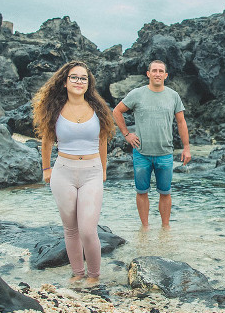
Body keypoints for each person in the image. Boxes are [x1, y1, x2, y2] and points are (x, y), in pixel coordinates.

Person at [32, 60, 115, 287]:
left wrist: (104, 170)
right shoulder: (54, 109)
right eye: (74, 77)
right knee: (70, 229)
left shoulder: (98, 109)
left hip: (92, 172)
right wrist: (46, 168)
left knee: (88, 229)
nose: (79, 81)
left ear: (89, 83)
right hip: (63, 173)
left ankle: (94, 276)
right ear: (65, 82)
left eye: (83, 78)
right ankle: (78, 274)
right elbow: (47, 141)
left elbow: (102, 142)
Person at [112, 60, 191, 229]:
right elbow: (117, 111)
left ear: (165, 75)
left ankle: (165, 229)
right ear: (148, 74)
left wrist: (186, 148)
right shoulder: (137, 94)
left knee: (165, 193)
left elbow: (181, 122)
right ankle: (145, 229)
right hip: (142, 153)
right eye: (154, 70)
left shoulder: (173, 96)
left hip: (165, 153)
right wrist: (126, 134)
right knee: (142, 192)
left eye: (161, 71)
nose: (157, 73)